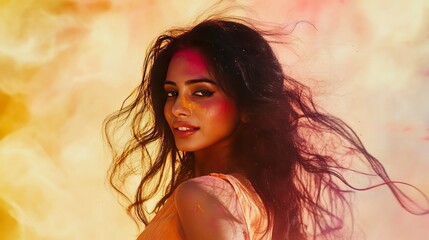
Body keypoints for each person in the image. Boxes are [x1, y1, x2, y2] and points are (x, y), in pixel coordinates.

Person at [104, 17, 428, 240]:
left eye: (201, 92)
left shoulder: (203, 194)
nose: (177, 108)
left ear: (245, 108)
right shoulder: (253, 198)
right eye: (172, 93)